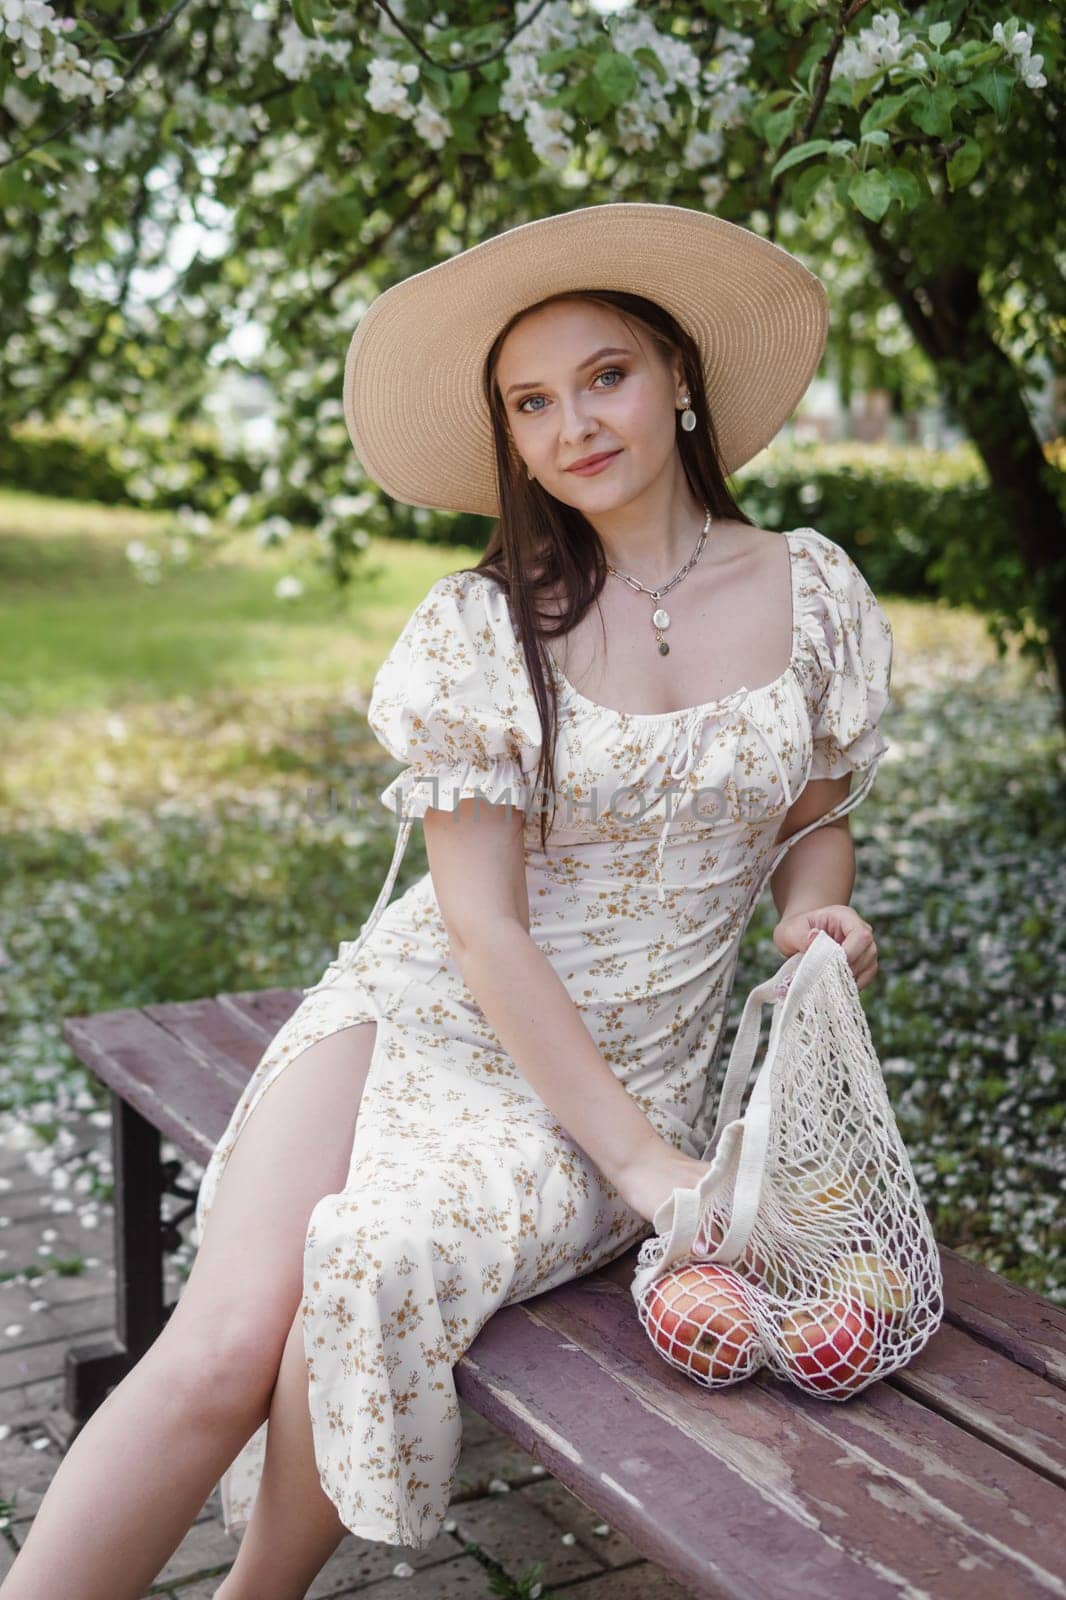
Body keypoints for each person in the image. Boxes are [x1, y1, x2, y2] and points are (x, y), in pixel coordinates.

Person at [2, 202, 892, 1600]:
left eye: (602, 376)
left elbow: (813, 817)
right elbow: (478, 926)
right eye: (528, 403)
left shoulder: (813, 590)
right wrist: (647, 1173)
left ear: (676, 374)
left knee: (374, 1249)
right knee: (225, 1335)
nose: (571, 426)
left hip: (622, 1069)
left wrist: (810, 914)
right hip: (425, 1007)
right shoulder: (485, 627)